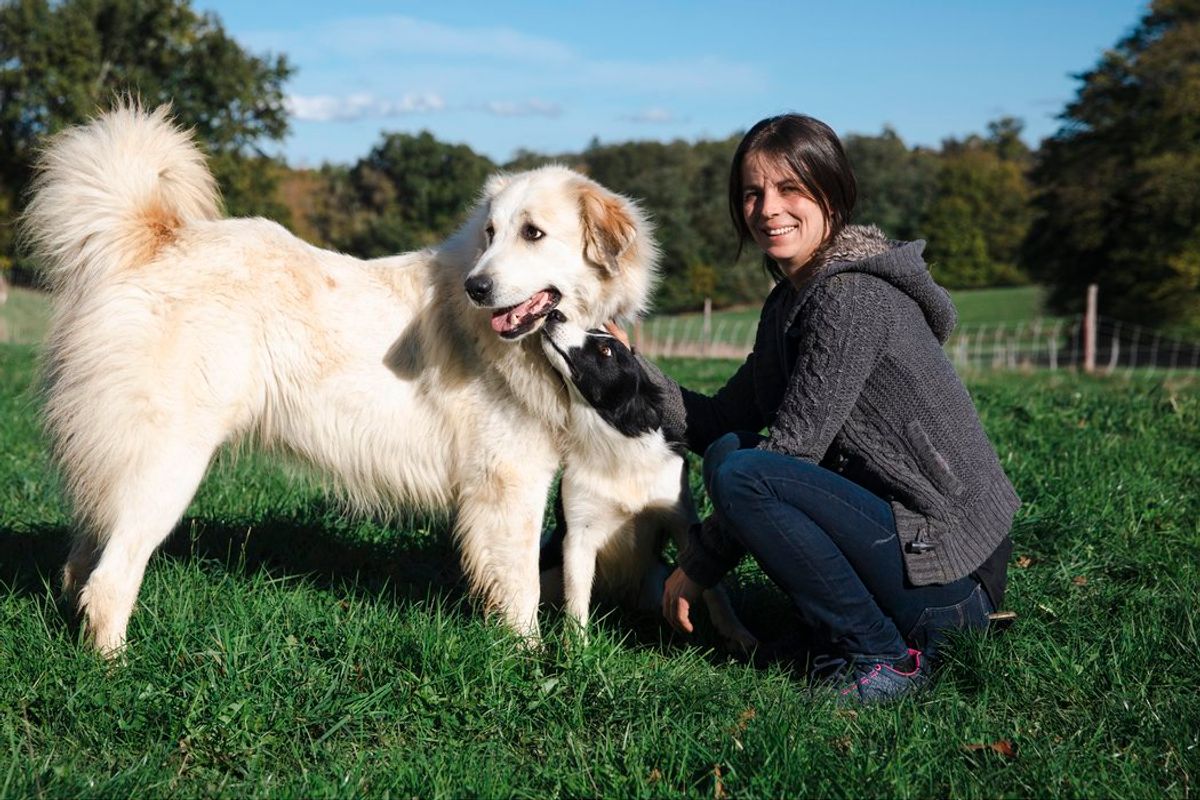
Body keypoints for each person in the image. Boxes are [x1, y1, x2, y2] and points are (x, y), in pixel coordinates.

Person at [620, 113, 1020, 703]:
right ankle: (837, 635)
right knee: (733, 452)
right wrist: (621, 367)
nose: (767, 208)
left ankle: (881, 657)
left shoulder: (850, 298)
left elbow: (791, 455)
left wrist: (699, 564)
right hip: (906, 554)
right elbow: (721, 423)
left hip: (953, 581)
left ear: (832, 193)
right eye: (752, 193)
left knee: (748, 473)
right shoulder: (791, 301)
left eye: (790, 189)